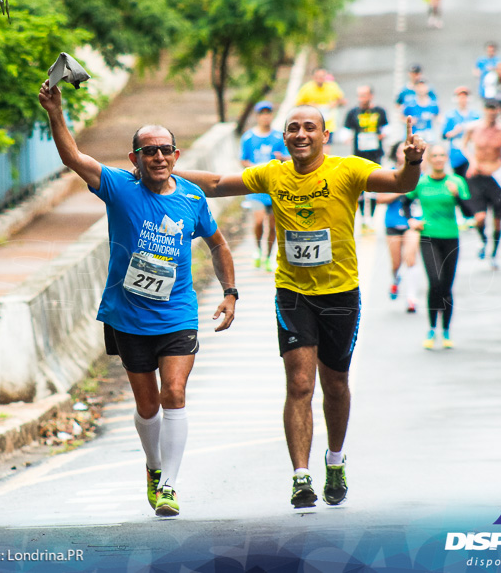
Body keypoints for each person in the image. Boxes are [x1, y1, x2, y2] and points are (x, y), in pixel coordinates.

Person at [175, 106, 427, 509]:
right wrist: (164, 174)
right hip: (293, 293)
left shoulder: (347, 169)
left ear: (325, 135)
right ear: (285, 137)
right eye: (293, 128)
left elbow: (400, 182)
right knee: (300, 384)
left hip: (340, 294)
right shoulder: (274, 173)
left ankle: (336, 460)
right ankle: (300, 477)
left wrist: (412, 161)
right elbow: (218, 183)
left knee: (336, 384)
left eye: (310, 127)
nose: (301, 134)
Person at [38, 80, 238, 517]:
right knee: (147, 405)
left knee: (175, 393)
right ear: (136, 159)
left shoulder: (191, 198)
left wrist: (230, 292)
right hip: (128, 316)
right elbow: (73, 158)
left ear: (176, 156)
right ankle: (153, 466)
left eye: (166, 150)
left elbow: (219, 245)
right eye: (150, 151)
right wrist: (56, 111)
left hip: (177, 314)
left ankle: (169, 486)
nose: (159, 157)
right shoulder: (118, 188)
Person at [405, 143, 470, 349]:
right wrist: (412, 220)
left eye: (442, 155)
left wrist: (457, 196)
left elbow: (469, 211)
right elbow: (405, 203)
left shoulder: (456, 182)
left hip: (450, 236)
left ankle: (446, 330)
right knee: (435, 281)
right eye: (435, 155)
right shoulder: (421, 183)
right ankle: (432, 328)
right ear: (429, 159)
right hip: (429, 236)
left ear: (446, 159)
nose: (439, 159)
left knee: (447, 286)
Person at [463, 100, 501, 269]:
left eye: (494, 110)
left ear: (498, 111)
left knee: (498, 219)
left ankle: (494, 253)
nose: (491, 113)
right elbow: (463, 145)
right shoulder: (473, 128)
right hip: (478, 174)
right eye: (488, 109)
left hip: (496, 174)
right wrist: (471, 161)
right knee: (479, 218)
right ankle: (484, 241)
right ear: (484, 110)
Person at [240, 100, 287, 270]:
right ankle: (258, 249)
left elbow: (288, 157)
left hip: (275, 188)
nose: (265, 117)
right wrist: (256, 168)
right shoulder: (248, 137)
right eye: (262, 113)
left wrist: (281, 158)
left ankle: (268, 256)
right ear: (257, 116)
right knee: (259, 221)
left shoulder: (278, 137)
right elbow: (243, 160)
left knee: (273, 225)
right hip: (256, 188)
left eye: (268, 113)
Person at [376, 144, 422, 313]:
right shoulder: (389, 174)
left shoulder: (420, 174)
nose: (404, 154)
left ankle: (411, 298)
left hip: (413, 222)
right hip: (393, 223)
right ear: (396, 154)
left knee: (411, 258)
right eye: (401, 151)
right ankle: (395, 280)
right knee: (396, 263)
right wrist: (402, 189)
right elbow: (380, 199)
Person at [343, 85, 388, 233]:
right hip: (358, 155)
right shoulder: (352, 113)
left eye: (364, 95)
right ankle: (363, 219)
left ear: (371, 96)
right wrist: (347, 137)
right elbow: (345, 130)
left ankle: (372, 219)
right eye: (359, 96)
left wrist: (383, 134)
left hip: (375, 154)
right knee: (360, 188)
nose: (361, 99)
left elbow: (387, 128)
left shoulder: (379, 112)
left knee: (374, 186)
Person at [296, 68, 347, 154]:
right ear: (313, 77)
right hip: (312, 125)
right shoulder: (306, 89)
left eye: (322, 76)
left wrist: (336, 103)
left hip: (328, 124)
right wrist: (309, 105)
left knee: (326, 150)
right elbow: (298, 105)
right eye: (318, 77)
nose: (320, 79)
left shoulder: (332, 87)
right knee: (314, 149)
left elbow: (343, 101)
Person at [441, 86, 479, 178]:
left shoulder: (475, 115)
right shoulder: (451, 116)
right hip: (457, 154)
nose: (463, 100)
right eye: (460, 97)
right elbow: (444, 135)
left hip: (472, 152)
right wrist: (455, 132)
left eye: (465, 97)